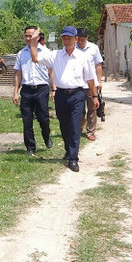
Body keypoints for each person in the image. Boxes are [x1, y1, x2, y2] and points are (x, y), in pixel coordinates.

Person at [29, 26, 98, 172]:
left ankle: (73, 158)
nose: (67, 41)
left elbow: (90, 78)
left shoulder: (83, 57)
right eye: (64, 38)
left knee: (74, 126)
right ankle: (69, 150)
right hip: (60, 94)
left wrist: (95, 96)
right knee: (64, 125)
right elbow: (35, 59)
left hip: (78, 94)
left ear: (76, 39)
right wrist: (34, 42)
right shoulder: (55, 55)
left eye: (69, 38)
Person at [13, 26, 53, 155]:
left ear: (38, 36)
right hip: (27, 90)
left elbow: (51, 72)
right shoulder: (21, 53)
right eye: (27, 36)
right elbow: (18, 74)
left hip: (41, 89)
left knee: (43, 118)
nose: (29, 38)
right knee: (27, 120)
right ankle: (30, 147)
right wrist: (15, 92)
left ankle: (47, 137)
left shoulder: (46, 52)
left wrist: (54, 89)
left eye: (32, 36)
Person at [76, 28, 103, 141]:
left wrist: (99, 81)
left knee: (92, 108)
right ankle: (79, 126)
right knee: (79, 109)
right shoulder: (72, 48)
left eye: (83, 39)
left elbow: (98, 65)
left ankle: (90, 131)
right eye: (79, 40)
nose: (81, 42)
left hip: (91, 84)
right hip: (77, 84)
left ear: (87, 38)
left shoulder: (93, 48)